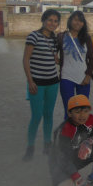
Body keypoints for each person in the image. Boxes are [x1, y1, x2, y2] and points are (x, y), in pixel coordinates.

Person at [48, 95, 93, 186]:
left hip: (78, 155)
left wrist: (88, 142)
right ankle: (70, 179)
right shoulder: (64, 130)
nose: (82, 115)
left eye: (86, 111)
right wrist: (77, 179)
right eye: (77, 112)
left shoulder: (91, 119)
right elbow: (62, 158)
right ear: (69, 113)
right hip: (60, 163)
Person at [22, 9, 62, 161]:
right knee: (36, 116)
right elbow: (26, 59)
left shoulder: (54, 39)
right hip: (36, 84)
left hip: (53, 82)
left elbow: (55, 59)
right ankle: (30, 146)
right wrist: (30, 81)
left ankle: (47, 144)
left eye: (56, 21)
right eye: (50, 20)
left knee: (48, 114)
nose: (53, 23)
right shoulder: (34, 36)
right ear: (43, 20)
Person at [57, 11, 93, 120]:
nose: (77, 22)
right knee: (69, 109)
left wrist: (88, 75)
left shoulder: (86, 38)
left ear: (83, 23)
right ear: (70, 21)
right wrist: (56, 59)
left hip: (83, 78)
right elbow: (52, 51)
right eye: (75, 19)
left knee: (83, 110)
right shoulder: (61, 37)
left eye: (80, 20)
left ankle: (82, 135)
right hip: (66, 78)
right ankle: (67, 135)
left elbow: (92, 59)